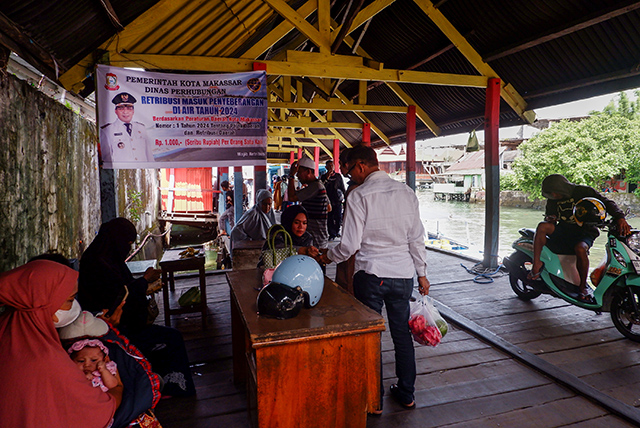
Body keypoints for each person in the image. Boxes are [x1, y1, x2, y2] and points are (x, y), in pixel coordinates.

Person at [317, 145, 430, 412]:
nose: (349, 176)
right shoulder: (407, 193)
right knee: (402, 334)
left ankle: (374, 400)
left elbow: (349, 246)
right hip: (403, 276)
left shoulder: (359, 195)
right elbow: (416, 238)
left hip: (371, 275)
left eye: (350, 170)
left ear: (360, 166)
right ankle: (407, 394)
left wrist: (327, 257)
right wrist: (422, 274)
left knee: (371, 337)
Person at [78, 218, 196, 397]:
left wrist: (142, 285)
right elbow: (118, 295)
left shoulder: (105, 257)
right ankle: (169, 388)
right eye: (127, 242)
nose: (128, 247)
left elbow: (123, 287)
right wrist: (144, 281)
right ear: (117, 239)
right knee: (172, 338)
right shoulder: (97, 264)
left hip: (123, 325)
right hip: (114, 330)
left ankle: (159, 383)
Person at [0, 260, 120, 427]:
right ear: (44, 302)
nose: (74, 307)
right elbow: (96, 410)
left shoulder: (7, 325)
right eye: (70, 300)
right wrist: (118, 389)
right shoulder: (47, 359)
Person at [530, 174, 631, 303]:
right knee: (542, 226)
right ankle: (536, 263)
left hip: (585, 231)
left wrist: (620, 218)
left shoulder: (584, 191)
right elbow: (550, 216)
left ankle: (582, 287)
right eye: (551, 194)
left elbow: (606, 203)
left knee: (580, 249)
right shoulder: (552, 200)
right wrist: (550, 219)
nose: (554, 196)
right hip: (564, 230)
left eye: (556, 193)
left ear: (562, 188)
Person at [288, 156, 330, 250]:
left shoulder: (315, 187)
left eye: (299, 172)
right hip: (319, 235)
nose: (297, 176)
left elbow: (291, 197)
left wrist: (291, 176)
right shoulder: (319, 185)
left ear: (308, 172)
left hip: (316, 237)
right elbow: (329, 207)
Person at [100, 92, 154, 164]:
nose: (125, 112)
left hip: (142, 171)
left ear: (133, 111)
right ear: (115, 111)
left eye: (129, 108)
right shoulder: (107, 130)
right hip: (121, 173)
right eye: (121, 108)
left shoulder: (141, 128)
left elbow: (149, 156)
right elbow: (106, 159)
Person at [321, 159, 346, 240]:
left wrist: (345, 197)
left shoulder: (338, 176)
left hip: (337, 200)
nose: (331, 167)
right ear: (326, 167)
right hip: (328, 201)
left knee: (338, 217)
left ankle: (337, 231)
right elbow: (321, 187)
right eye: (329, 166)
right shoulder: (323, 177)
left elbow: (342, 187)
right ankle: (332, 234)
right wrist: (327, 178)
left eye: (332, 166)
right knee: (330, 218)